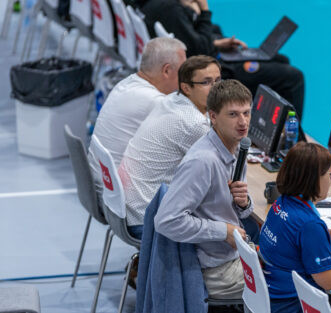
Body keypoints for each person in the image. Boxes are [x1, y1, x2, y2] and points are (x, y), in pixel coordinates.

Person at [155, 79, 255, 299]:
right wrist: (224, 231)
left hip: (231, 256)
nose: (243, 122)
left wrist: (244, 203)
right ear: (213, 116)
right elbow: (166, 221)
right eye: (233, 114)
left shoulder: (238, 149)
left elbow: (230, 211)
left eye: (246, 113)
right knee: (290, 284)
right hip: (215, 271)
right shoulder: (202, 161)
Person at [130, 0, 305, 119]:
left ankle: (266, 126)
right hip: (214, 71)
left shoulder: (157, 5)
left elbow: (193, 41)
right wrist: (203, 11)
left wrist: (215, 41)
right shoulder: (170, 9)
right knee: (293, 77)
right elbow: (200, 50)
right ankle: (293, 142)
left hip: (211, 60)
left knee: (280, 59)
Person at [258, 142, 331, 313]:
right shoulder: (309, 224)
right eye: (330, 174)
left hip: (273, 296)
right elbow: (329, 280)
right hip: (292, 304)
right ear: (314, 179)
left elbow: (309, 247)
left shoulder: (282, 203)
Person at [118, 55, 221, 239]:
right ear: (186, 87)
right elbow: (220, 173)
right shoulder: (193, 124)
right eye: (206, 82)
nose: (217, 88)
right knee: (231, 219)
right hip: (145, 219)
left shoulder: (173, 99)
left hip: (126, 208)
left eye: (218, 80)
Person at [88, 37, 186, 202]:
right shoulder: (155, 102)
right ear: (167, 71)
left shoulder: (125, 84)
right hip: (122, 202)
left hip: (104, 189)